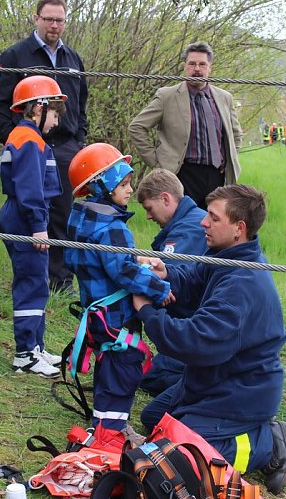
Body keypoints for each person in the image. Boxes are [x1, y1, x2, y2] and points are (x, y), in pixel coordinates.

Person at [132, 184, 286, 495]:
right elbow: (194, 281)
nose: (203, 222)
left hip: (240, 392)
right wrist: (167, 273)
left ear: (239, 228)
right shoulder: (226, 255)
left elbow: (194, 343)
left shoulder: (243, 284)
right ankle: (231, 432)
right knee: (153, 418)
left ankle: (266, 444)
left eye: (213, 218)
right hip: (212, 379)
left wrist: (147, 311)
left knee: (180, 455)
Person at [64, 143, 173, 452]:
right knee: (124, 368)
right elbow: (122, 272)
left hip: (95, 312)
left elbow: (106, 262)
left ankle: (106, 424)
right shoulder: (112, 228)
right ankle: (110, 435)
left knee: (108, 365)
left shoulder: (82, 220)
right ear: (102, 185)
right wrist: (159, 289)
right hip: (115, 316)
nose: (129, 189)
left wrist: (133, 260)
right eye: (123, 184)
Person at [0, 0, 87, 294]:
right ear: (36, 18)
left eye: (60, 20)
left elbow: (81, 106)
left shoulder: (73, 60)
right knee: (31, 209)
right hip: (30, 149)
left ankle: (61, 282)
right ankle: (33, 278)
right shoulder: (16, 56)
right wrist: (16, 139)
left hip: (66, 148)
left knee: (63, 216)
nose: (54, 25)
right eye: (49, 19)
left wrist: (78, 141)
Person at [0, 76, 67, 379]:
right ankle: (25, 353)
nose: (54, 123)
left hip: (25, 217)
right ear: (38, 108)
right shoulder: (28, 140)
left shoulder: (28, 138)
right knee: (31, 284)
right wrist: (39, 226)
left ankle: (36, 346)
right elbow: (29, 189)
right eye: (53, 114)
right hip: (25, 220)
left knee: (37, 281)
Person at [128, 41, 243, 209]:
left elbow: (236, 134)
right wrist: (157, 162)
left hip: (217, 176)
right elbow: (137, 127)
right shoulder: (167, 96)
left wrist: (229, 158)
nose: (197, 69)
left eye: (202, 64)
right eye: (192, 64)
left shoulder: (224, 97)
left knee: (214, 227)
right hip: (182, 175)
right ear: (185, 67)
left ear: (209, 67)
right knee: (184, 225)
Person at [135, 169, 206, 395]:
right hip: (192, 326)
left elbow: (167, 279)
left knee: (147, 376)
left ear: (165, 198)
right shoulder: (188, 221)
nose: (148, 216)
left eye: (149, 208)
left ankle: (198, 379)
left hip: (195, 330)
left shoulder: (188, 231)